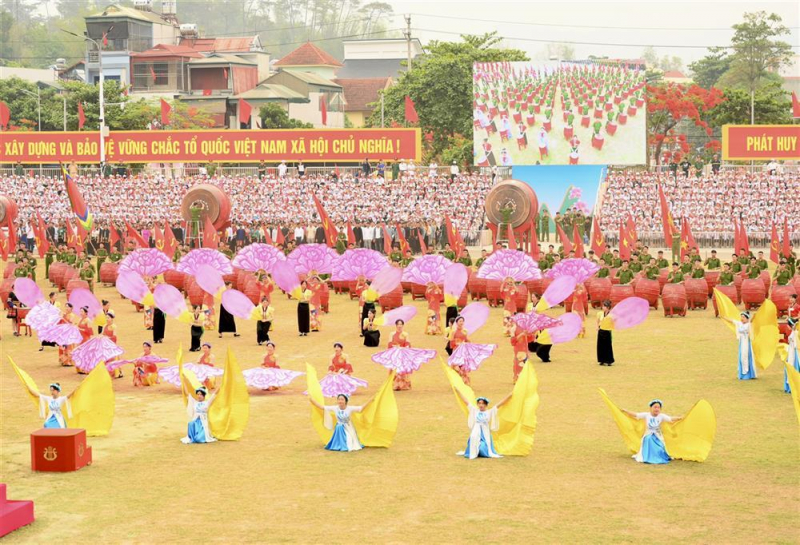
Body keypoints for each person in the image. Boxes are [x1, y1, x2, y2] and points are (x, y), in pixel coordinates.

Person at [452, 390, 512, 460]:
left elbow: (501, 403)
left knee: (482, 448)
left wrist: (509, 395)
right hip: (476, 431)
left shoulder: (490, 412)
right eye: (479, 403)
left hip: (485, 433)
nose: (481, 405)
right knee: (473, 441)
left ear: (486, 405)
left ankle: (482, 450)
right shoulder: (474, 410)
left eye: (483, 403)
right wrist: (458, 391)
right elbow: (465, 401)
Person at [620, 400, 684, 464]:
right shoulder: (646, 415)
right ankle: (648, 456)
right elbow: (636, 415)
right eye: (655, 407)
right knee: (648, 439)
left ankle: (658, 456)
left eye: (658, 407)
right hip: (648, 435)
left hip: (658, 436)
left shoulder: (661, 416)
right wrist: (626, 411)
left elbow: (670, 419)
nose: (657, 409)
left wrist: (679, 418)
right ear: (651, 408)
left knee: (659, 447)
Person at [309, 393, 375, 452]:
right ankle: (339, 444)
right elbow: (322, 407)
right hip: (339, 428)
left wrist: (370, 400)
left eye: (342, 399)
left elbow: (361, 408)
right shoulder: (335, 408)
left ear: (346, 401)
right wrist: (312, 400)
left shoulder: (350, 408)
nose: (340, 401)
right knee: (340, 427)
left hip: (348, 427)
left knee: (350, 441)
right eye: (339, 399)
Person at [721, 312, 757, 380]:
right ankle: (743, 373)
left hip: (746, 342)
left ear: (747, 318)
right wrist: (724, 317)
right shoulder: (739, 323)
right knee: (742, 357)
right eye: (741, 317)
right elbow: (731, 320)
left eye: (743, 317)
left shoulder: (748, 325)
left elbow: (751, 320)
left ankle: (747, 373)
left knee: (745, 356)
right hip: (742, 342)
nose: (742, 318)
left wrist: (754, 316)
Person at [387, 319, 412, 390]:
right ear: (396, 325)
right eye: (398, 324)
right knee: (394, 369)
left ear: (403, 325)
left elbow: (407, 344)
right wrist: (395, 347)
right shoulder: (392, 334)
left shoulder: (405, 334)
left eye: (401, 324)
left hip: (402, 354)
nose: (399, 326)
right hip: (395, 354)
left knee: (402, 370)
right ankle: (394, 384)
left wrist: (404, 348)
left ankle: (403, 384)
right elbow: (389, 344)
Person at [448, 316, 471, 384]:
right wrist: (457, 343)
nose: (461, 323)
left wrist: (467, 342)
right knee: (456, 367)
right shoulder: (453, 332)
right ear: (457, 322)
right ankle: (457, 381)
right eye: (460, 321)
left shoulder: (465, 331)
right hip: (456, 351)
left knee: (464, 367)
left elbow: (467, 340)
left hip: (463, 351)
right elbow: (451, 343)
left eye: (462, 321)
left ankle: (466, 381)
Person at [597, 300, 614, 366]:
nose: (603, 307)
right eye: (603, 306)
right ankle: (601, 360)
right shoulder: (600, 314)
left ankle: (609, 360)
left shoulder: (611, 315)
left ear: (608, 307)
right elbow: (598, 321)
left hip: (607, 331)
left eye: (604, 306)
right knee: (600, 346)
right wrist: (597, 327)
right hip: (601, 331)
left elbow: (613, 323)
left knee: (608, 346)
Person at [784, 318, 799, 394]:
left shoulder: (796, 333)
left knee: (792, 367)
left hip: (793, 353)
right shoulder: (793, 332)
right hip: (790, 352)